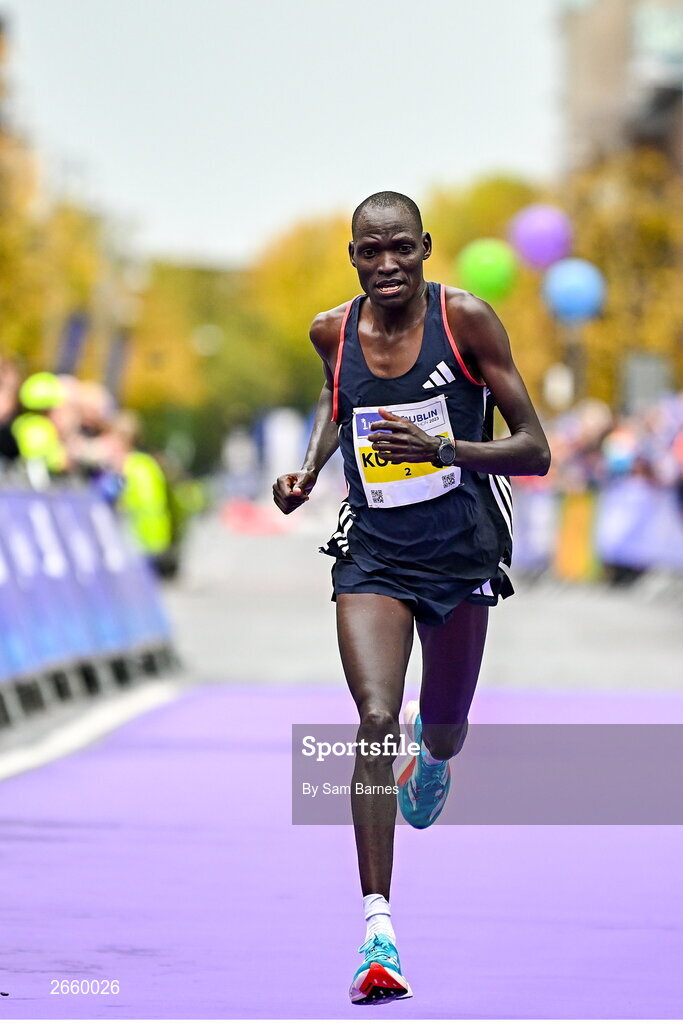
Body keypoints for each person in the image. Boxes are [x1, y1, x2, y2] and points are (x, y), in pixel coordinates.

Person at [272, 191, 551, 1005]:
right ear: (352, 256)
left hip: (461, 552)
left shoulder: (464, 321)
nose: (386, 265)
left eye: (401, 249)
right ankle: (376, 928)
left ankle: (431, 764)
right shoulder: (332, 331)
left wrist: (445, 448)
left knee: (444, 727)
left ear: (425, 247)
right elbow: (337, 407)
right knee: (371, 719)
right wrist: (308, 471)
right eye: (369, 252)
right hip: (374, 556)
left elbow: (534, 450)